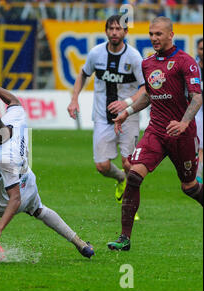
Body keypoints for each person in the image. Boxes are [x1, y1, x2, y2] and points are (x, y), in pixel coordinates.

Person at [0, 65, 95, 258]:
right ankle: (80, 243)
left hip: (4, 201)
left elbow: (14, 199)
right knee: (40, 210)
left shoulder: (3, 157)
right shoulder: (15, 119)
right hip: (28, 185)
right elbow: (13, 100)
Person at [107, 17, 203, 251]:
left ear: (171, 35)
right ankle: (124, 238)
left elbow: (197, 97)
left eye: (159, 34)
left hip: (182, 134)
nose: (154, 38)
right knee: (134, 175)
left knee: (189, 186)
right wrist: (127, 112)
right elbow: (149, 96)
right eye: (151, 34)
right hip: (156, 131)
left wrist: (183, 123)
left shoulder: (186, 62)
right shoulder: (148, 63)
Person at [67, 15, 146, 220]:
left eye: (118, 29)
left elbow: (146, 87)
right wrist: (74, 99)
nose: (114, 32)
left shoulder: (134, 57)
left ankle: (130, 207)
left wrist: (127, 103)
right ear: (106, 31)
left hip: (128, 116)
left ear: (125, 33)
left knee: (129, 163)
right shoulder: (96, 53)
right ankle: (120, 179)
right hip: (102, 116)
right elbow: (83, 74)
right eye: (111, 28)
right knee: (102, 166)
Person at [195, 38, 203, 183]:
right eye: (201, 48)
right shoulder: (193, 68)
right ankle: (198, 178)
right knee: (200, 147)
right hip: (198, 111)